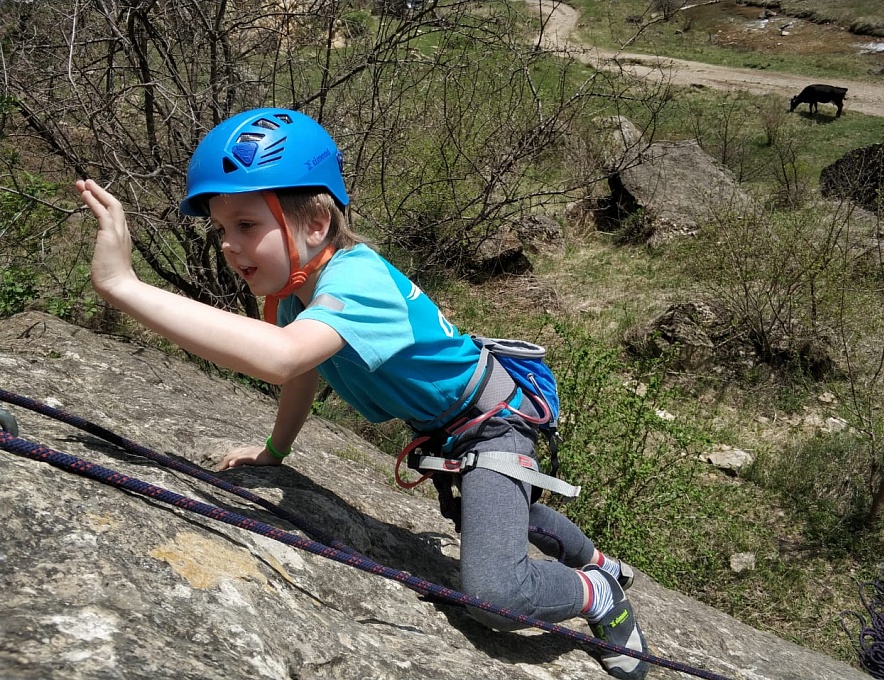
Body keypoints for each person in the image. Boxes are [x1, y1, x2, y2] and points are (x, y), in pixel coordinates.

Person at [76, 107, 649, 679]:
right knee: (494, 511)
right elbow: (303, 373)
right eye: (222, 230)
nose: (228, 245)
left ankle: (598, 593)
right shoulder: (298, 292)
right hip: (452, 426)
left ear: (316, 223)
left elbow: (282, 358)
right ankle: (599, 560)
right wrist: (275, 451)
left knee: (496, 595)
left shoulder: (357, 279)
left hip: (492, 421)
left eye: (246, 225)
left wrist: (124, 285)